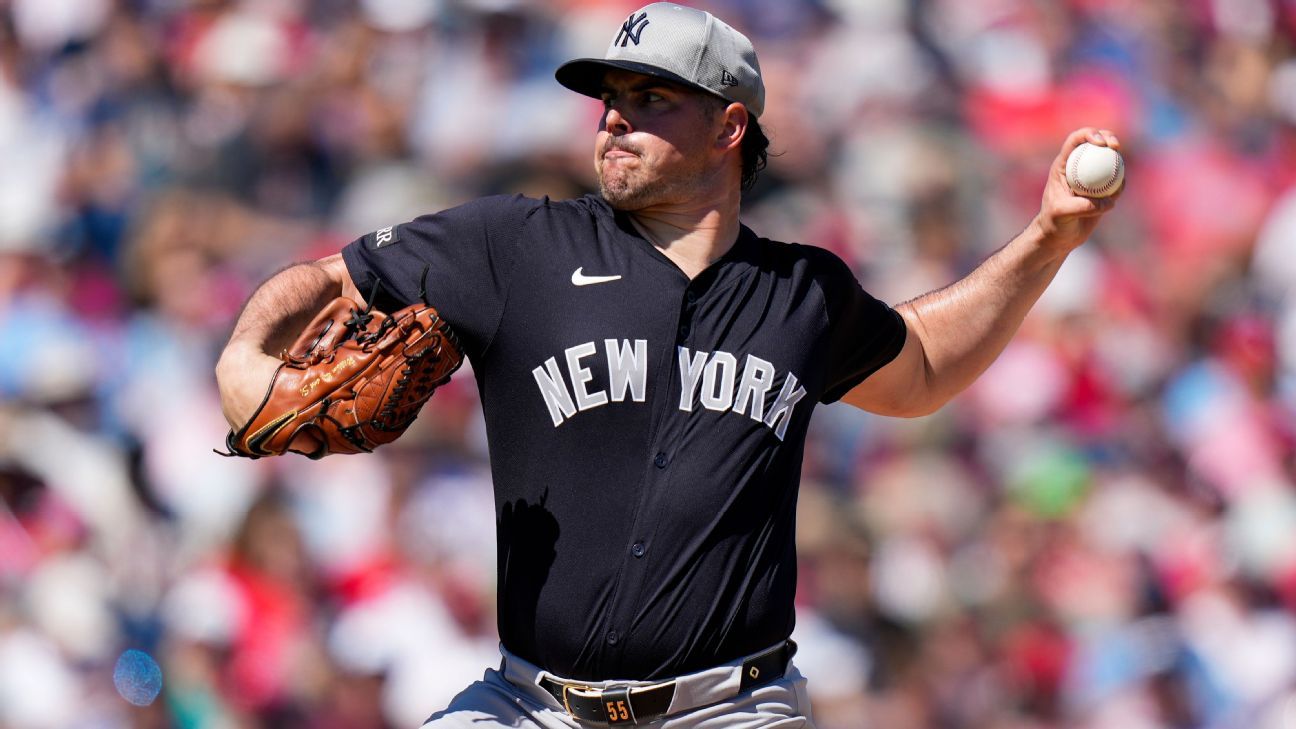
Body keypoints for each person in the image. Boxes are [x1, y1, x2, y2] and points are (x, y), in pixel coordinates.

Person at [215, 3, 1121, 726]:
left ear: (731, 126)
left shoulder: (799, 291)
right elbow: (326, 277)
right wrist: (245, 363)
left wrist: (1049, 237)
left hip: (735, 706)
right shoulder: (515, 245)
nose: (615, 118)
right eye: (610, 97)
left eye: (652, 99)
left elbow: (921, 366)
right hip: (533, 705)